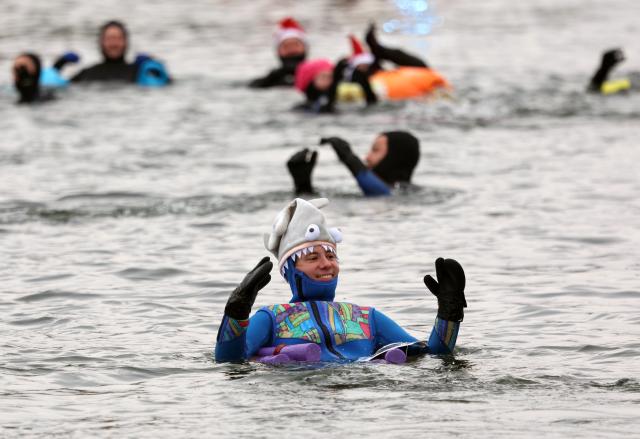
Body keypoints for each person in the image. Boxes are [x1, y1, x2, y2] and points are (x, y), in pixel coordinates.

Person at [214, 198, 467, 363]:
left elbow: (432, 355)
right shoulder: (272, 317)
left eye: (331, 255)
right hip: (297, 395)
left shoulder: (366, 317)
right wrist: (236, 312)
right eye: (312, 257)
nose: (326, 264)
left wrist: (448, 312)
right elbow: (228, 361)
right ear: (290, 271)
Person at [287, 131, 420, 196]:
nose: (367, 157)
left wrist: (350, 159)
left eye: (375, 150)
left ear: (395, 157)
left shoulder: (407, 194)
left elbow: (383, 193)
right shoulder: (361, 191)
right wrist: (304, 187)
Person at [71, 20, 170, 85]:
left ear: (126, 42)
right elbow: (61, 88)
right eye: (109, 39)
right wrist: (60, 63)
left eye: (118, 38)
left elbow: (166, 84)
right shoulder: (87, 73)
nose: (114, 44)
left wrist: (151, 63)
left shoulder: (138, 71)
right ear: (101, 42)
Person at [249, 17, 308, 88]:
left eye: (296, 45)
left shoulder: (315, 74)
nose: (292, 49)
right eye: (286, 46)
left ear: (305, 48)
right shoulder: (273, 77)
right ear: (278, 51)